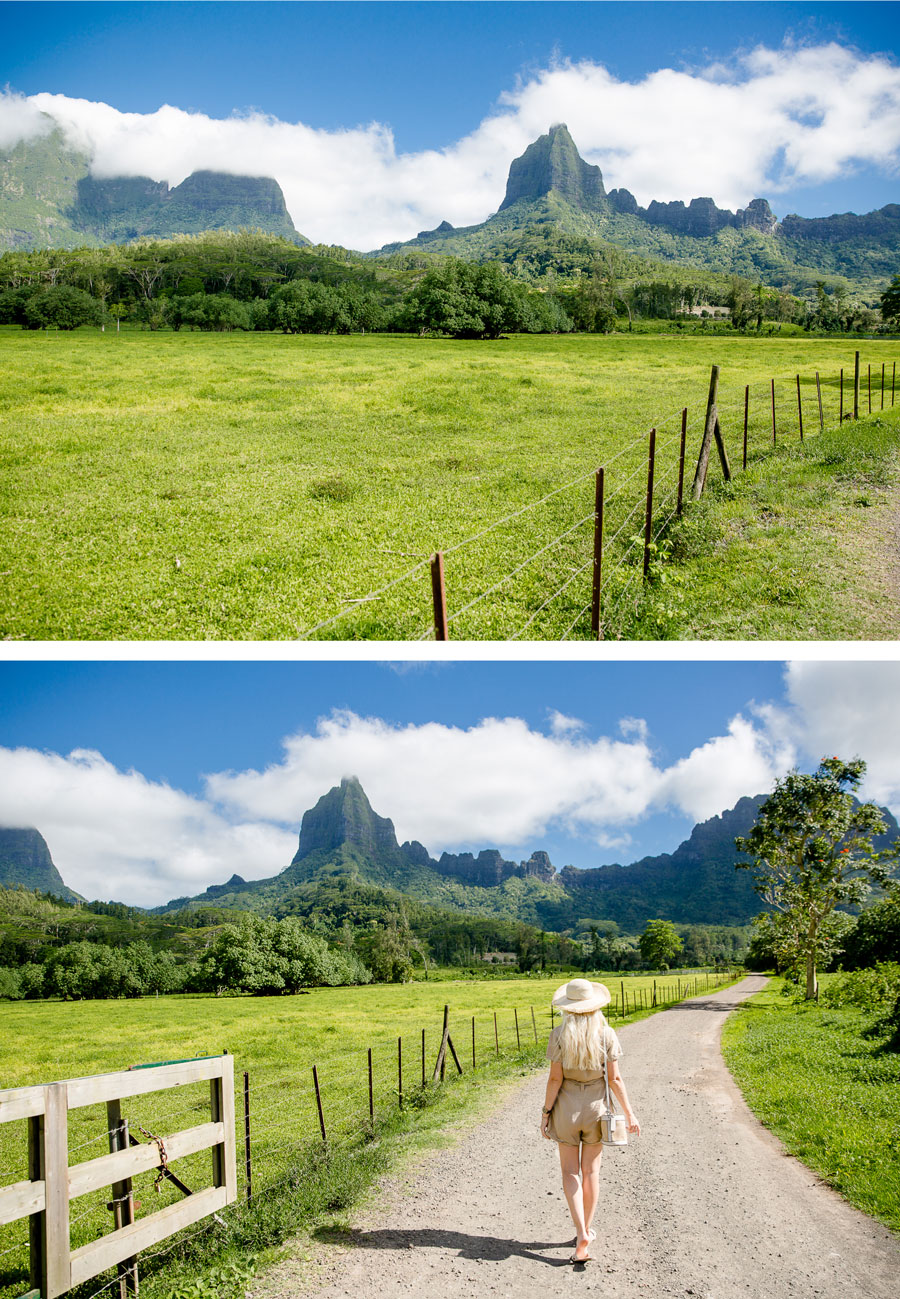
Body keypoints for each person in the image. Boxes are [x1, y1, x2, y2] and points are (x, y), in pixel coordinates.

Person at [540, 978, 640, 1264]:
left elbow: (555, 1079)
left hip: (566, 1109)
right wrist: (630, 1113)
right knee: (591, 1172)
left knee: (569, 1172)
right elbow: (615, 1079)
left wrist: (546, 1113)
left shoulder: (558, 1035)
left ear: (568, 1008)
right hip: (597, 1109)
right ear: (594, 1007)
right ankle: (585, 1233)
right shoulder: (606, 1034)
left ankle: (581, 1231)